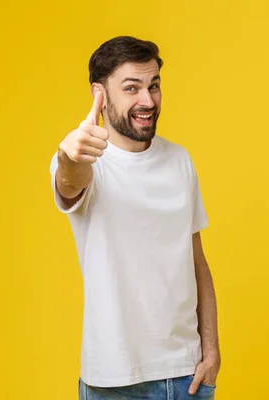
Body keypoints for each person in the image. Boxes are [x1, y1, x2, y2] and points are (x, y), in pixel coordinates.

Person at [49, 36, 221, 399]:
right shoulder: (85, 162)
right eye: (132, 88)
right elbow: (70, 183)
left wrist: (211, 351)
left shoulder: (179, 160)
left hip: (187, 375)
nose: (148, 101)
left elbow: (196, 260)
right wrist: (70, 157)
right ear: (101, 93)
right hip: (114, 380)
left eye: (153, 85)